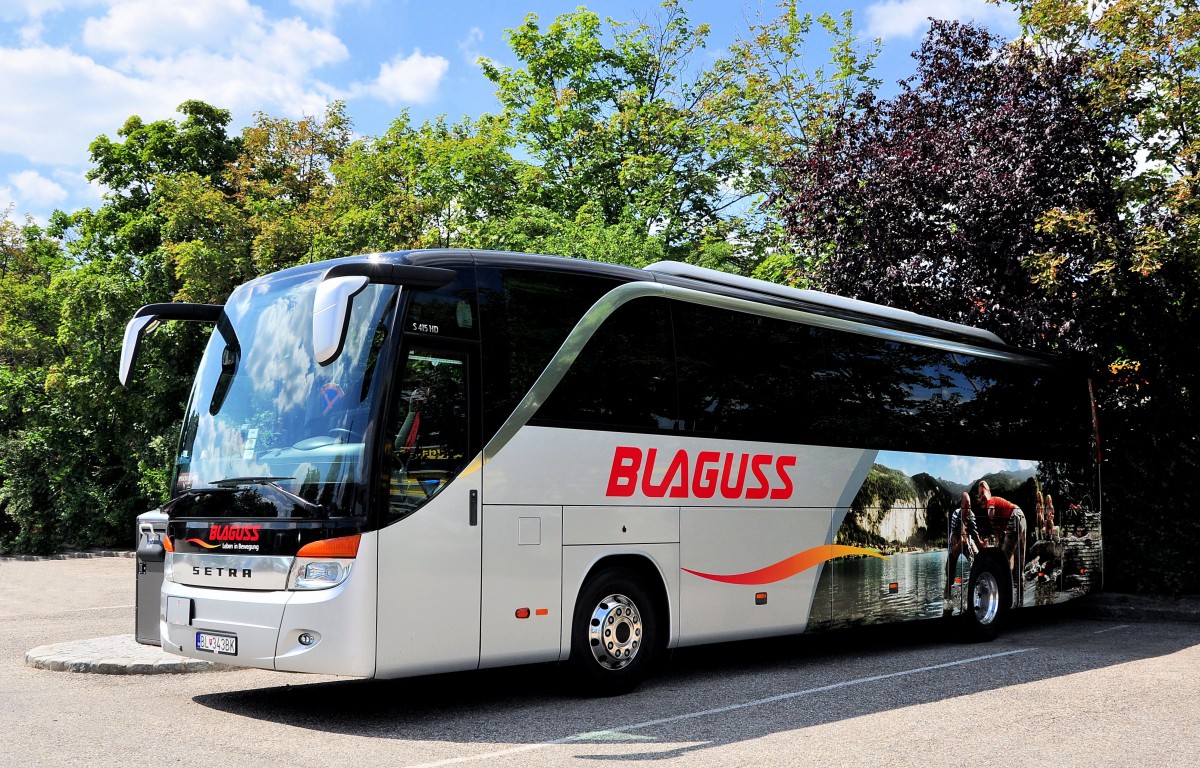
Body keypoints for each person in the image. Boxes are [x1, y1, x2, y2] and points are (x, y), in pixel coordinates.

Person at [978, 480, 1028, 605]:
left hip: (1014, 517)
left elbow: (991, 511)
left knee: (1002, 564)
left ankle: (1002, 602)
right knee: (1019, 567)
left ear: (988, 491)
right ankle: (1020, 602)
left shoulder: (991, 501)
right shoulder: (995, 513)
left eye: (982, 493)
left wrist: (988, 508)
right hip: (1021, 517)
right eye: (979, 495)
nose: (981, 497)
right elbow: (999, 537)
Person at [945, 491, 986, 605]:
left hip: (967, 539)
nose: (968, 509)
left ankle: (980, 592)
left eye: (970, 506)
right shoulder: (956, 515)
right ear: (961, 505)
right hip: (956, 539)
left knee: (977, 560)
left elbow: (975, 535)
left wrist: (982, 544)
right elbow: (954, 546)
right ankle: (947, 599)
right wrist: (959, 544)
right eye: (966, 506)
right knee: (950, 573)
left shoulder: (971, 515)